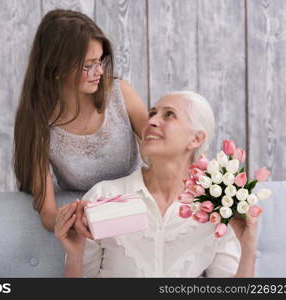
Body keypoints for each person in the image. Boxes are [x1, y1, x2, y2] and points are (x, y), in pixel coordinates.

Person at [54, 91, 259, 277]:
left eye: (168, 114)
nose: (151, 121)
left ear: (196, 139)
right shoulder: (105, 195)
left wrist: (248, 246)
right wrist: (74, 253)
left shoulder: (217, 208)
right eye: (152, 113)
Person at [13, 9, 148, 232]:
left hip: (139, 211)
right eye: (88, 65)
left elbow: (163, 152)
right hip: (90, 224)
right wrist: (89, 225)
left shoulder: (120, 94)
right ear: (55, 68)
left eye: (100, 61)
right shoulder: (39, 124)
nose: (99, 72)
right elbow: (48, 216)